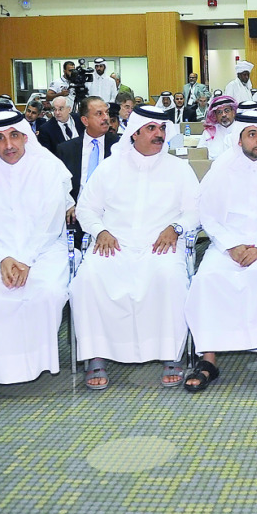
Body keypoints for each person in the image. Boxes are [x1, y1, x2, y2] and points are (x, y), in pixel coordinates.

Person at [69, 106, 199, 391]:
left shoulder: (179, 169)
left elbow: (195, 211)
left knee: (169, 278)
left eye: (162, 129)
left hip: (160, 244)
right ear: (135, 132)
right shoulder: (109, 167)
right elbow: (86, 208)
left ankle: (170, 354)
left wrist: (176, 228)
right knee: (88, 280)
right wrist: (100, 230)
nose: (159, 134)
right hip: (114, 243)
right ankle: (96, 355)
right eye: (152, 129)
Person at [184, 109, 257, 394]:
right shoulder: (220, 171)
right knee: (207, 279)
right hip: (228, 245)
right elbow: (208, 216)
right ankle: (208, 359)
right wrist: (230, 246)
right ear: (239, 139)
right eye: (252, 134)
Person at [0, 110, 72, 386]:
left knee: (45, 293)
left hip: (43, 252)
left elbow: (51, 223)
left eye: (14, 136)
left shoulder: (49, 169)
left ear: (26, 137)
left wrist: (26, 259)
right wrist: (4, 258)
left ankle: (36, 362)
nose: (8, 145)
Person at [56, 96, 118, 245]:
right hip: (76, 216)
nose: (106, 118)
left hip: (111, 215)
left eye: (107, 113)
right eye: (99, 114)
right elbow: (57, 184)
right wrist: (68, 203)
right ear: (85, 120)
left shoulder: (120, 147)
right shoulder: (66, 149)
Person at [197, 95, 239, 160]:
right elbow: (199, 153)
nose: (223, 115)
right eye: (219, 112)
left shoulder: (241, 129)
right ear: (215, 116)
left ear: (233, 112)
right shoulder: (209, 132)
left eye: (227, 111)